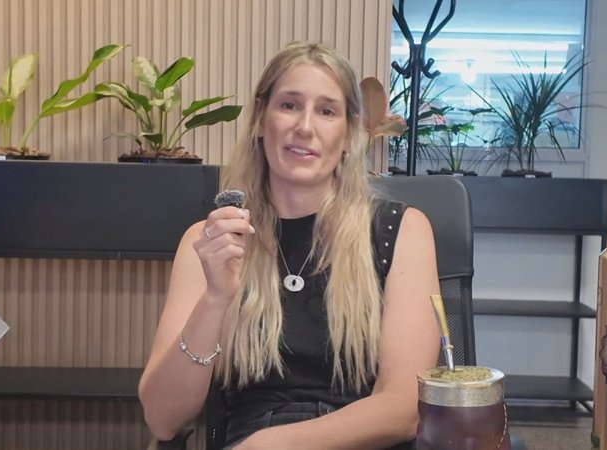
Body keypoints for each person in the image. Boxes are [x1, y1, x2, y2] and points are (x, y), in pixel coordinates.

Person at [139, 41, 441, 450]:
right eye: (289, 105)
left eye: (327, 111)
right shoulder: (210, 241)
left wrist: (271, 445)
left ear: (350, 133)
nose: (305, 127)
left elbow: (405, 409)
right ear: (261, 120)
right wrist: (215, 298)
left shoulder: (401, 231)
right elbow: (163, 419)